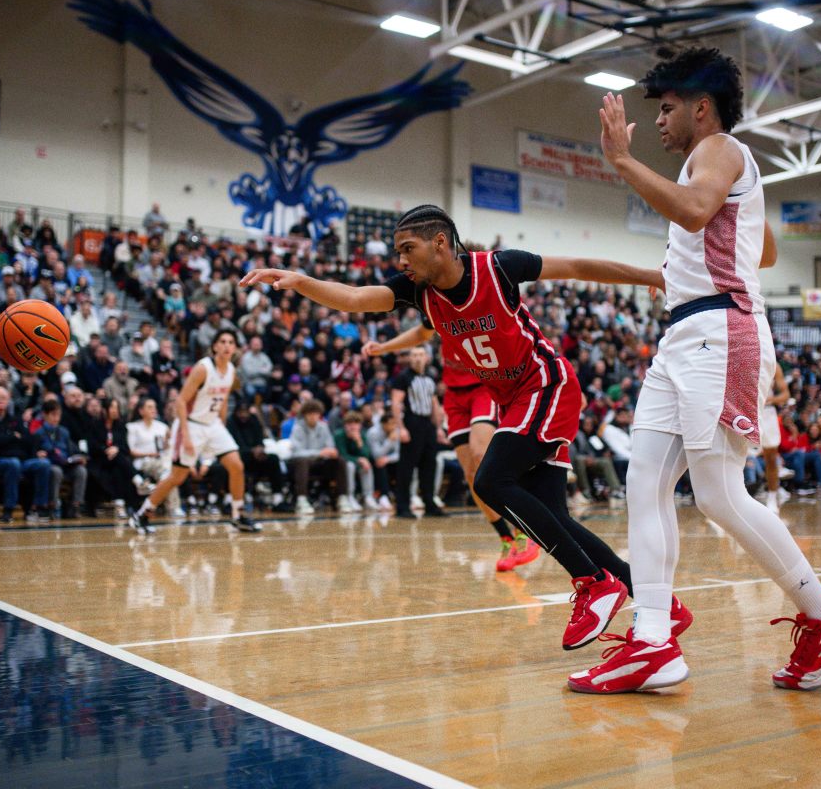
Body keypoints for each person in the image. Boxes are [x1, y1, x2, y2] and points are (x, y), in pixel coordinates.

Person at [241, 204, 691, 652]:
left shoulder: (498, 267)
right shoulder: (418, 293)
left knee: (491, 478)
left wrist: (651, 276)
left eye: (407, 248)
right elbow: (356, 297)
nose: (400, 260)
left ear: (440, 243)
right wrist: (300, 281)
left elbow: (576, 265)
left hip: (545, 384)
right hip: (513, 399)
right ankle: (658, 602)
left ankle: (593, 583)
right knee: (554, 518)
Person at [571, 47, 821, 694]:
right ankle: (652, 640)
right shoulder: (714, 163)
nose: (658, 120)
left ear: (701, 109)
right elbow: (757, 243)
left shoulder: (720, 149)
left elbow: (698, 210)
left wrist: (621, 162)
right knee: (642, 480)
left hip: (720, 330)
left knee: (718, 493)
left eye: (668, 106)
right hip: (684, 334)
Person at [365, 328, 538, 570]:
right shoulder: (438, 309)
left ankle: (522, 528)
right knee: (472, 475)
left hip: (483, 389)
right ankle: (505, 538)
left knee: (482, 455)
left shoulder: (479, 306)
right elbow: (419, 334)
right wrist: (383, 348)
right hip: (454, 398)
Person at [129, 330, 258, 533]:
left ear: (235, 348)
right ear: (215, 346)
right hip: (191, 424)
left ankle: (238, 514)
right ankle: (142, 513)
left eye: (231, 342)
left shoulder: (231, 370)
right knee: (177, 477)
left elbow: (223, 400)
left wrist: (221, 426)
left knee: (237, 466)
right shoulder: (203, 368)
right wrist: (186, 436)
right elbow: (180, 401)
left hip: (212, 424)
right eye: (222, 341)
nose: (226, 345)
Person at [0, 386, 52, 523]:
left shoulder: (15, 420)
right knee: (13, 463)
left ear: (9, 400)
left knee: (43, 464)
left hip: (21, 460)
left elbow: (28, 439)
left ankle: (38, 507)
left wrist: (1, 438)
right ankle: (8, 509)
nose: (1, 400)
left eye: (4, 397)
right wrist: (13, 437)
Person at [388, 346, 445, 519]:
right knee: (407, 467)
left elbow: (434, 403)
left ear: (427, 357)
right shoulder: (403, 377)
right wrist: (401, 428)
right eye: (414, 355)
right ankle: (402, 506)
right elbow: (396, 403)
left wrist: (439, 428)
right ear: (409, 359)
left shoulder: (430, 376)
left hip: (428, 424)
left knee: (429, 465)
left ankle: (429, 503)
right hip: (412, 422)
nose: (418, 358)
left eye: (420, 355)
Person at [288, 399, 348, 513]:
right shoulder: (297, 428)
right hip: (301, 465)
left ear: (320, 414)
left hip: (320, 463)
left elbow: (329, 446)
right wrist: (319, 453)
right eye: (310, 413)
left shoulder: (324, 427)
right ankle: (302, 500)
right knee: (302, 461)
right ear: (304, 415)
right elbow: (296, 452)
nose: (313, 416)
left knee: (340, 461)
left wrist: (331, 451)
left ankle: (342, 498)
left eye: (316, 413)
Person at [32, 399, 88, 518]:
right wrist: (37, 454)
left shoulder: (64, 431)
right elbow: (33, 452)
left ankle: (75, 505)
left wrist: (80, 457)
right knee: (55, 471)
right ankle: (53, 505)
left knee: (81, 471)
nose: (56, 418)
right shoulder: (38, 433)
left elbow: (73, 449)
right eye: (53, 415)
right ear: (45, 415)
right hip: (52, 465)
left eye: (58, 415)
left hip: (66, 464)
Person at [760, 363, 791, 511]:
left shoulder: (773, 364)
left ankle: (772, 497)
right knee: (738, 457)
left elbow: (786, 394)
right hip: (746, 410)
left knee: (771, 458)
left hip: (767, 412)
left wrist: (770, 399)